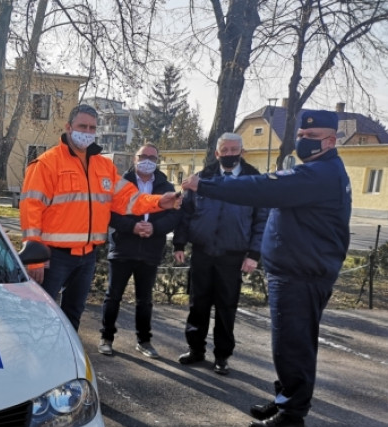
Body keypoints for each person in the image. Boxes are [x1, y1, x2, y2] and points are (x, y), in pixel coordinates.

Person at [181, 110, 351, 427]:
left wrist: (206, 185)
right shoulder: (320, 171)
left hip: (302, 273)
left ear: (331, 141)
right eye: (301, 135)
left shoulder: (318, 175)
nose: (303, 141)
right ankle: (285, 398)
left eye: (312, 138)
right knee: (289, 342)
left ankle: (291, 416)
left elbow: (258, 189)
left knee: (294, 344)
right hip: (298, 269)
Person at [20, 104, 181, 330]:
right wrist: (34, 257)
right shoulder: (47, 163)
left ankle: (69, 360)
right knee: (39, 315)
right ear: (68, 127)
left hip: (87, 257)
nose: (87, 132)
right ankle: (35, 362)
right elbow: (31, 210)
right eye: (82, 126)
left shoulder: (104, 165)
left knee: (73, 314)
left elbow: (128, 199)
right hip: (54, 257)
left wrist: (158, 201)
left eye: (92, 128)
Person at [172, 133, 267, 375]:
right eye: (224, 150)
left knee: (226, 308)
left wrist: (254, 254)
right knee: (198, 304)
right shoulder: (202, 178)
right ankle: (195, 350)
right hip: (203, 252)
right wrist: (179, 244)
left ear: (242, 152)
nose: (229, 154)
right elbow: (187, 212)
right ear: (217, 153)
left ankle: (222, 356)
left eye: (234, 149)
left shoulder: (253, 180)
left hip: (233, 255)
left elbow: (262, 220)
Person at [98, 143, 182, 358]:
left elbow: (174, 216)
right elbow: (110, 213)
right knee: (113, 296)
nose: (147, 160)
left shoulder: (166, 186)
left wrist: (154, 228)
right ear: (134, 159)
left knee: (145, 300)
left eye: (152, 157)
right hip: (123, 248)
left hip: (150, 250)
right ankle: (106, 338)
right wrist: (132, 226)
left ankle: (144, 341)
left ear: (157, 161)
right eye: (143, 156)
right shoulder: (121, 183)